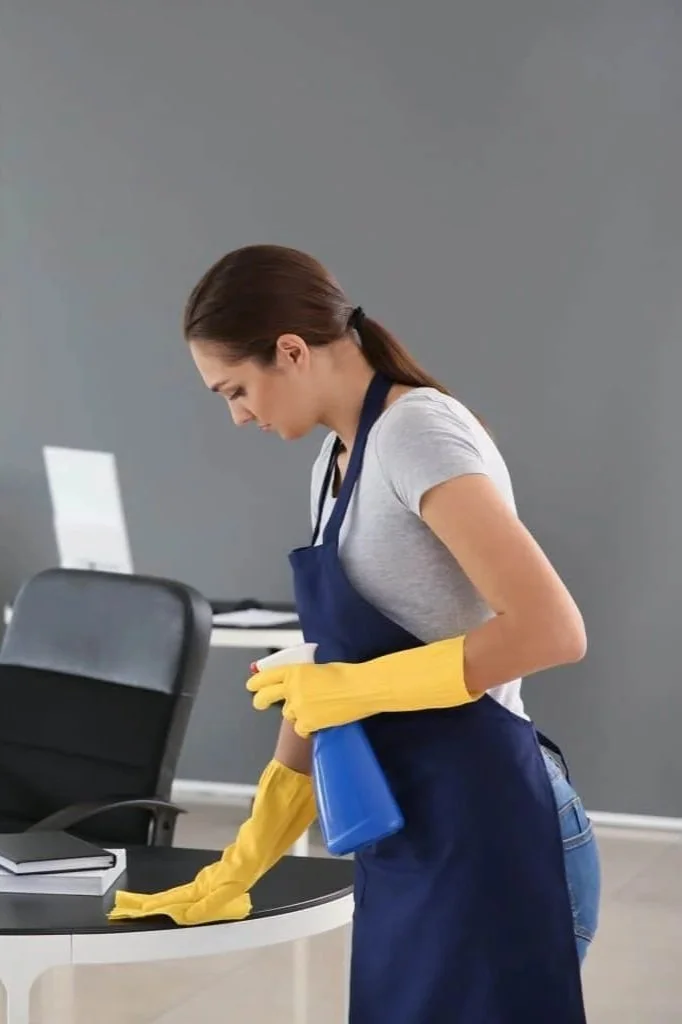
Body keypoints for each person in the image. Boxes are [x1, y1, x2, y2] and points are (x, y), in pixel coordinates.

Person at [111, 244, 601, 1023]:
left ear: (292, 351)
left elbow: (551, 630)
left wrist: (350, 686)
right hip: (410, 831)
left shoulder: (417, 435)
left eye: (235, 389)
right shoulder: (335, 463)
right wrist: (243, 863)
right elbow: (331, 681)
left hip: (491, 831)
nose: (238, 415)